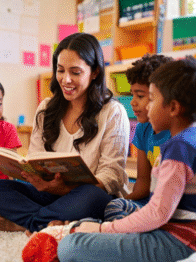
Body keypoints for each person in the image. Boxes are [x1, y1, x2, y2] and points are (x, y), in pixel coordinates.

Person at [0, 32, 130, 233]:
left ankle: (29, 224)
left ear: (95, 72)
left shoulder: (112, 112)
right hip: (49, 193)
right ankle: (51, 223)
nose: (66, 79)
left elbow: (111, 174)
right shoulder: (46, 108)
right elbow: (35, 156)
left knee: (91, 197)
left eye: (75, 72)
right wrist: (37, 178)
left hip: (89, 195)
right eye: (60, 70)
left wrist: (66, 190)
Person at [56, 57, 196, 262]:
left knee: (70, 247)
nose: (147, 107)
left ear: (173, 108)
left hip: (176, 240)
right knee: (87, 225)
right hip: (171, 230)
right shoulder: (187, 139)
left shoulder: (179, 148)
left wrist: (104, 229)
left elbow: (157, 214)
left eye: (153, 99)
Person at [104, 54, 173, 221]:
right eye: (132, 95)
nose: (133, 102)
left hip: (172, 208)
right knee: (113, 206)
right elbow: (142, 183)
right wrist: (122, 202)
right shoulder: (144, 128)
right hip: (149, 202)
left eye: (140, 96)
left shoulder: (178, 135)